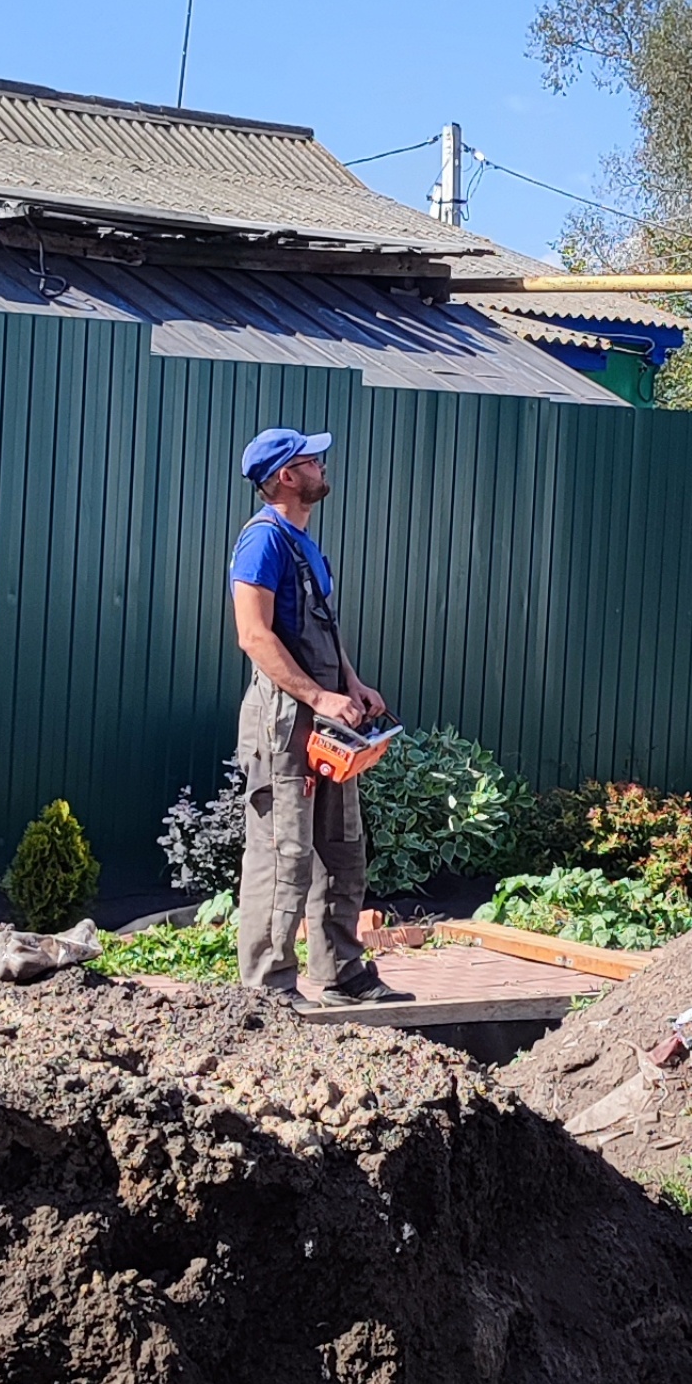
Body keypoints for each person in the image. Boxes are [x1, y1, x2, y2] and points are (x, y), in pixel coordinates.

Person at [229, 426, 402, 1007]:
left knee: (341, 845)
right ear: (286, 477)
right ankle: (269, 988)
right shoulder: (262, 541)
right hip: (285, 721)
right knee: (285, 853)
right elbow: (253, 635)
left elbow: (322, 626)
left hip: (330, 719)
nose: (323, 466)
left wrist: (350, 683)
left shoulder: (304, 543)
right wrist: (318, 697)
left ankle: (340, 972)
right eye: (311, 460)